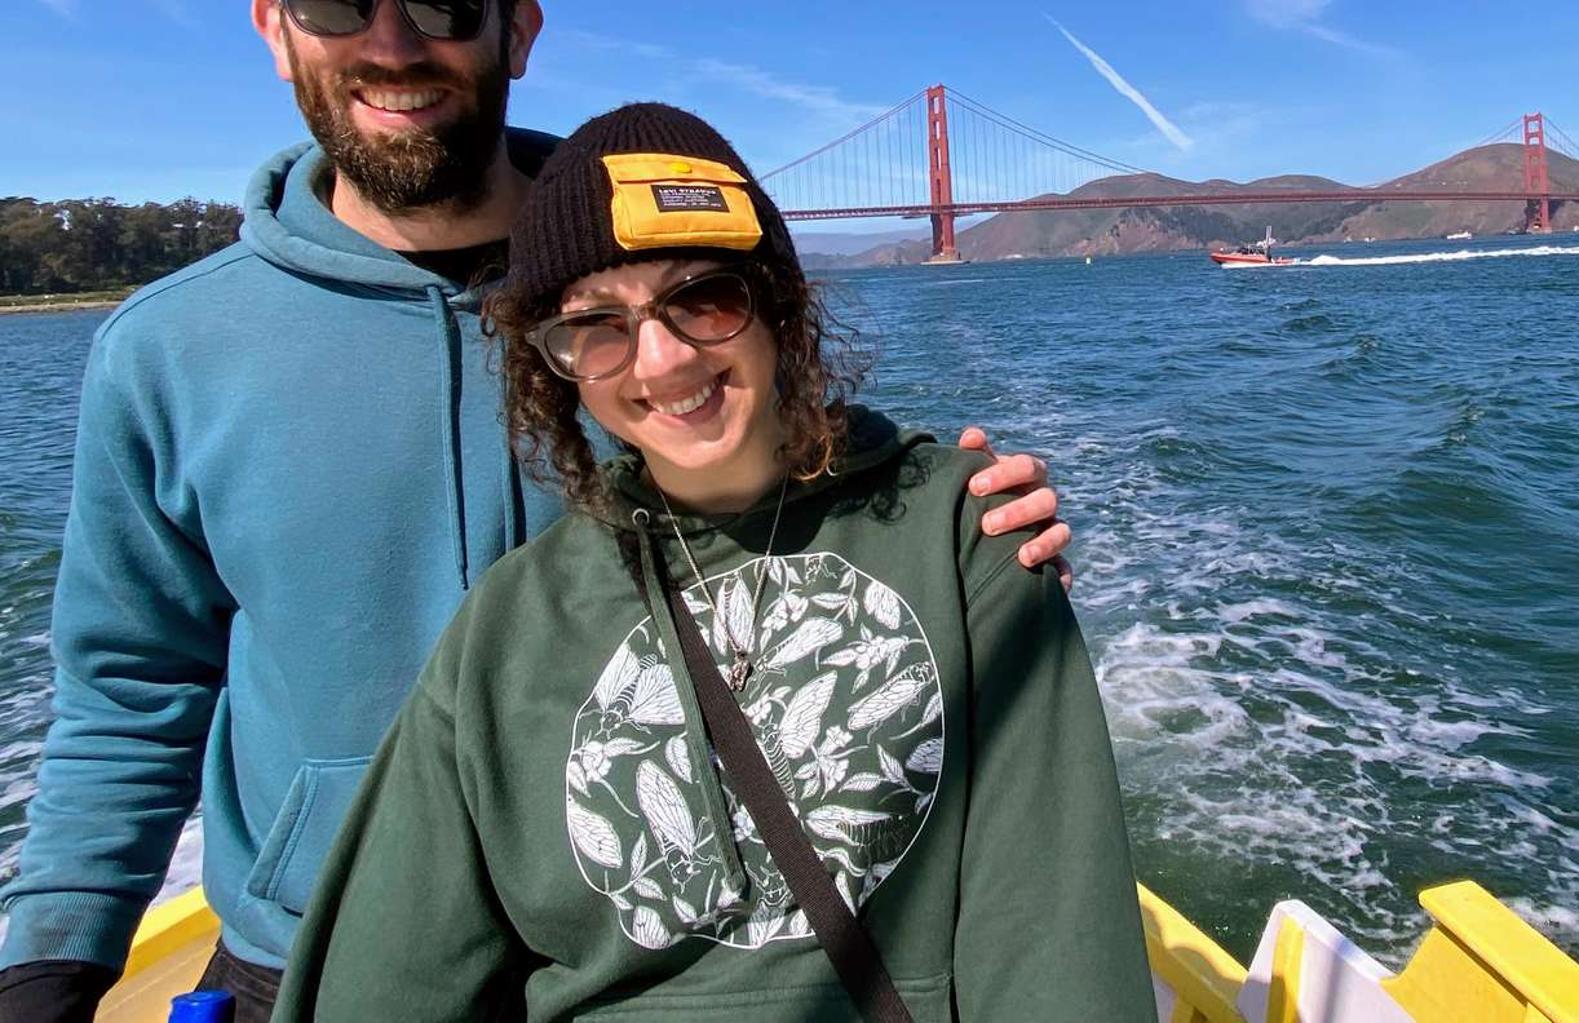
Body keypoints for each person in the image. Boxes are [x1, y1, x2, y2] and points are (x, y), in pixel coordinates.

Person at [0, 3, 1071, 1020]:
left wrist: (955, 538)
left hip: (669, 963)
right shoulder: (164, 353)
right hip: (316, 954)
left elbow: (800, 494)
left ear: (518, 27)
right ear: (273, 32)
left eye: (442, 4)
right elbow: (130, 684)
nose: (390, 44)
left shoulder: (666, 286)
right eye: (334, 5)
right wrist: (53, 957)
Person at [272, 103, 1152, 1021]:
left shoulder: (964, 533)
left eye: (702, 297)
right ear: (554, 361)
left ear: (776, 304)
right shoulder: (504, 627)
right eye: (596, 323)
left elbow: (1051, 941)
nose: (660, 360)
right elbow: (387, 982)